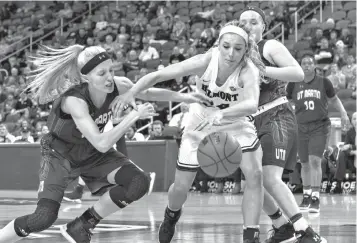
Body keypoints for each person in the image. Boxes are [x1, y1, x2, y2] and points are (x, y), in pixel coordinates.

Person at [0, 45, 210, 243]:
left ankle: (82, 225)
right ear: (85, 77)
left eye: (110, 70)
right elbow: (102, 143)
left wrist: (186, 97)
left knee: (139, 182)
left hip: (90, 153)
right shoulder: (74, 100)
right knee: (43, 218)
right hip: (60, 155)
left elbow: (146, 92)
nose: (109, 77)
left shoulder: (117, 85)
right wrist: (133, 116)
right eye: (101, 73)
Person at [112, 21, 266, 243]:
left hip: (235, 120)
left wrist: (222, 114)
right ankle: (171, 214)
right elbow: (158, 76)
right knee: (181, 188)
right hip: (200, 121)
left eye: (238, 49)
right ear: (218, 45)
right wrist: (132, 93)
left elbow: (252, 104)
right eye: (226, 46)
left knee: (256, 175)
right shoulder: (205, 61)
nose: (231, 53)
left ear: (246, 50)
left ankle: (250, 234)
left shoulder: (247, 70)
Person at [239, 6, 326, 243]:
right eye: (242, 21)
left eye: (253, 21)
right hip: (251, 122)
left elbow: (297, 73)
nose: (247, 25)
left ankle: (307, 232)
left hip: (276, 114)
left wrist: (262, 69)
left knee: (268, 178)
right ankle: (281, 225)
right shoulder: (235, 58)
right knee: (252, 181)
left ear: (264, 27)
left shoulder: (269, 47)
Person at [287, 54, 350, 212]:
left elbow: (334, 99)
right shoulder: (293, 84)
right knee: (304, 163)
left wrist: (343, 113)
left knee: (315, 160)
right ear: (300, 66)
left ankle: (316, 197)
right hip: (301, 127)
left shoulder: (324, 82)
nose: (306, 65)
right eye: (304, 63)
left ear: (314, 66)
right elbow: (287, 102)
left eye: (309, 63)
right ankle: (307, 195)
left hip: (319, 126)